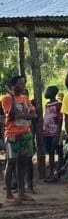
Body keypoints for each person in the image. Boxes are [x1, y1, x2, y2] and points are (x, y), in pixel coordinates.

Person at [2, 75, 37, 205]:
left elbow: (34, 114)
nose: (23, 86)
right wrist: (12, 97)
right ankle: (9, 194)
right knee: (11, 163)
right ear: (14, 85)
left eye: (24, 83)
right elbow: (11, 115)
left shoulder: (25, 98)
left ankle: (22, 193)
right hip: (12, 135)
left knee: (22, 163)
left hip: (25, 134)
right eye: (21, 83)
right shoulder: (6, 98)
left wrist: (22, 115)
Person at [41, 85, 63, 181]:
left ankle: (57, 173)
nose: (46, 92)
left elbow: (60, 119)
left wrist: (58, 133)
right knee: (50, 153)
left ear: (53, 93)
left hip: (55, 132)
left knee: (58, 152)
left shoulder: (59, 104)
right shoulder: (47, 104)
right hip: (47, 132)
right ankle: (51, 174)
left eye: (48, 91)